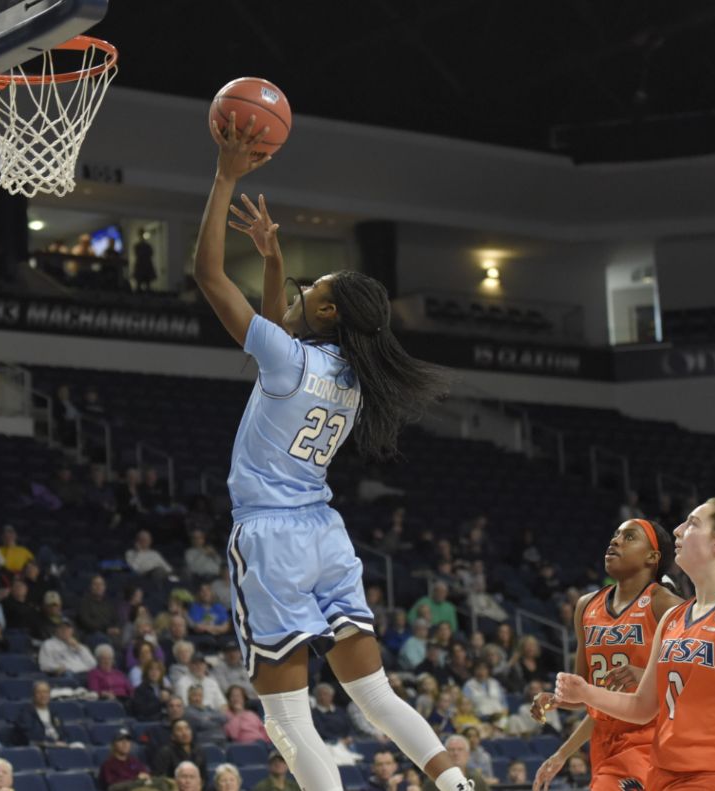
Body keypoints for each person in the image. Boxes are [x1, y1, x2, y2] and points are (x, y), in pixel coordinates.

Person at [195, 115, 459, 791]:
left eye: (316, 288)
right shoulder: (354, 377)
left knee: (288, 719)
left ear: (331, 313)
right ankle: (456, 784)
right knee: (375, 695)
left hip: (273, 538)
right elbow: (280, 331)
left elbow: (207, 275)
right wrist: (277, 263)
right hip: (326, 535)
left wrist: (226, 176)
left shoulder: (288, 361)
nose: (305, 290)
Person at [553, 498, 715, 791]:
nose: (676, 530)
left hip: (714, 778)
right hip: (662, 775)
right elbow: (642, 707)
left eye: (692, 524)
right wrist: (586, 692)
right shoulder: (673, 618)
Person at [529, 519, 683, 791]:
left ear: (652, 557)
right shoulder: (586, 606)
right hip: (604, 745)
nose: (615, 541)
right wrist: (558, 703)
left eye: (630, 537)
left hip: (651, 741)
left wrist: (649, 678)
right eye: (615, 535)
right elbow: (590, 694)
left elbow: (690, 681)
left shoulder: (665, 604)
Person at [14, 680, 67, 747]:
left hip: (58, 745)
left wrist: (63, 741)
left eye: (46, 692)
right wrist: (52, 742)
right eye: (39, 692)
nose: (43, 695)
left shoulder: (54, 713)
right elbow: (31, 735)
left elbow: (63, 732)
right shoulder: (26, 712)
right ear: (33, 695)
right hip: (41, 746)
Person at [133, 228, 156, 292]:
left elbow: (151, 253)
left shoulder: (147, 246)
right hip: (141, 266)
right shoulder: (138, 246)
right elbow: (138, 254)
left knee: (147, 286)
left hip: (146, 266)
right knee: (139, 286)